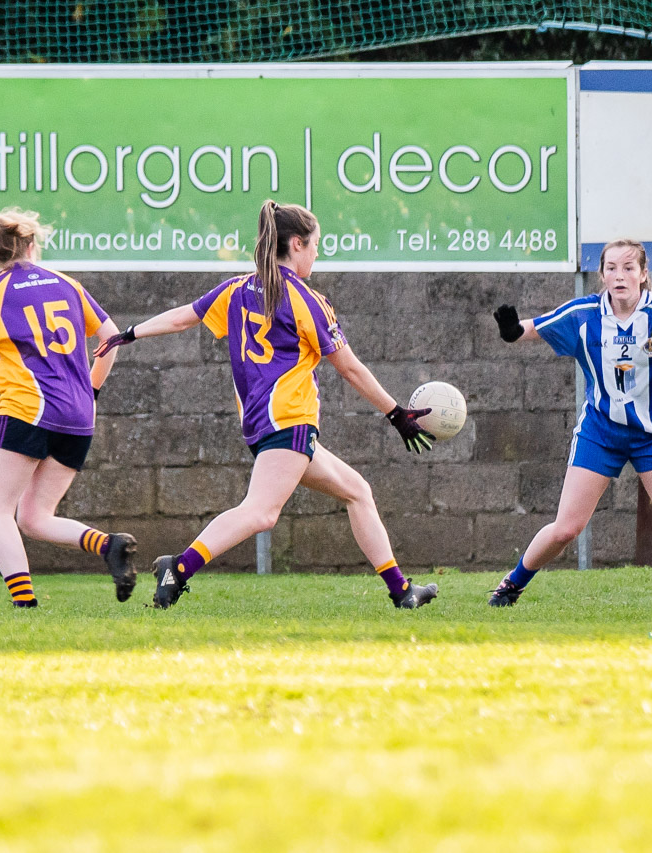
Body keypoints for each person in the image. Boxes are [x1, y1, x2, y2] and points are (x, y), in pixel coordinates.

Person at [93, 200, 439, 610]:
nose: (316, 253)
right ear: (296, 244)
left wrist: (131, 333)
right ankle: (178, 568)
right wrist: (396, 414)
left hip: (265, 423)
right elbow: (350, 369)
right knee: (260, 514)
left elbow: (182, 318)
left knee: (357, 492)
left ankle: (402, 592)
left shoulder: (237, 288)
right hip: (289, 420)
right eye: (314, 245)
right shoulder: (307, 300)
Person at [0, 207, 138, 607]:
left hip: (28, 410)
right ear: (31, 245)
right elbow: (111, 339)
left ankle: (25, 603)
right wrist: (92, 390)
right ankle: (110, 546)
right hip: (78, 415)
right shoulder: (68, 285)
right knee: (34, 517)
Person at [488, 238, 652, 608]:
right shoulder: (584, 314)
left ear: (643, 274)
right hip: (600, 433)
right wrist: (512, 331)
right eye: (611, 268)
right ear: (602, 274)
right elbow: (536, 327)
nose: (619, 276)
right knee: (566, 529)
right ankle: (511, 585)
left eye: (628, 268)